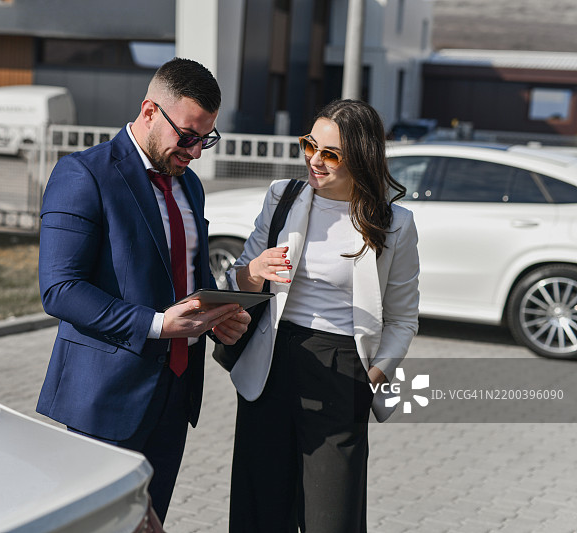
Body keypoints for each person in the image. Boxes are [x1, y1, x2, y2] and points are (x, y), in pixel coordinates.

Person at [36, 57, 251, 522]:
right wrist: (156, 324)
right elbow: (59, 288)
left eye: (206, 139)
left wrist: (217, 316)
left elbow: (192, 277)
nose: (195, 153)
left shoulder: (190, 185)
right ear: (150, 111)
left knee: (148, 524)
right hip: (106, 400)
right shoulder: (83, 174)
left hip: (175, 394)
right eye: (189, 137)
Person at [225, 99, 420, 532]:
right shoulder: (282, 197)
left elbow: (404, 317)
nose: (314, 160)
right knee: (260, 512)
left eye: (330, 154)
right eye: (309, 145)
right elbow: (237, 279)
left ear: (361, 158)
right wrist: (253, 272)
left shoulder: (394, 223)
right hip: (271, 362)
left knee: (332, 517)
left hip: (341, 368)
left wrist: (375, 373)